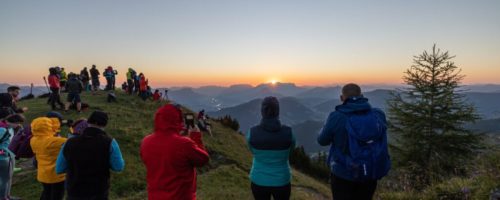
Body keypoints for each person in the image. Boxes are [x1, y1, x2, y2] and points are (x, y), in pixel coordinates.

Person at [317, 83, 390, 200]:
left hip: (343, 173)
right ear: (362, 95)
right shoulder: (378, 115)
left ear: (342, 98)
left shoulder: (336, 117)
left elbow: (322, 140)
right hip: (370, 172)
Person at [140, 104, 209, 200]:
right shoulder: (184, 144)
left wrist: (177, 135)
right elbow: (203, 159)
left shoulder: (145, 142)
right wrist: (195, 136)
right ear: (177, 120)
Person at [56, 111, 125, 200]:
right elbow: (118, 167)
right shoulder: (110, 142)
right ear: (104, 125)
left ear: (89, 121)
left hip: (74, 191)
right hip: (98, 192)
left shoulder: (69, 142)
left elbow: (59, 169)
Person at [246, 97, 295, 200]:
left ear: (262, 112)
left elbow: (252, 151)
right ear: (278, 111)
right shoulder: (289, 133)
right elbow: (290, 152)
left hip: (258, 179)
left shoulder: (252, 133)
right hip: (282, 180)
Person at [31, 117, 67, 200]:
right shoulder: (54, 141)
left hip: (43, 174)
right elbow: (71, 142)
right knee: (57, 195)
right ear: (47, 127)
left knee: (46, 192)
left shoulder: (33, 140)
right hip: (56, 175)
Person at [0, 109, 24, 200]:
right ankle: (3, 197)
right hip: (3, 158)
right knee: (4, 179)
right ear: (13, 121)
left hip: (8, 156)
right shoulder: (2, 129)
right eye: (18, 123)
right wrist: (3, 152)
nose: (18, 125)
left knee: (8, 178)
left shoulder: (8, 128)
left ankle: (7, 196)